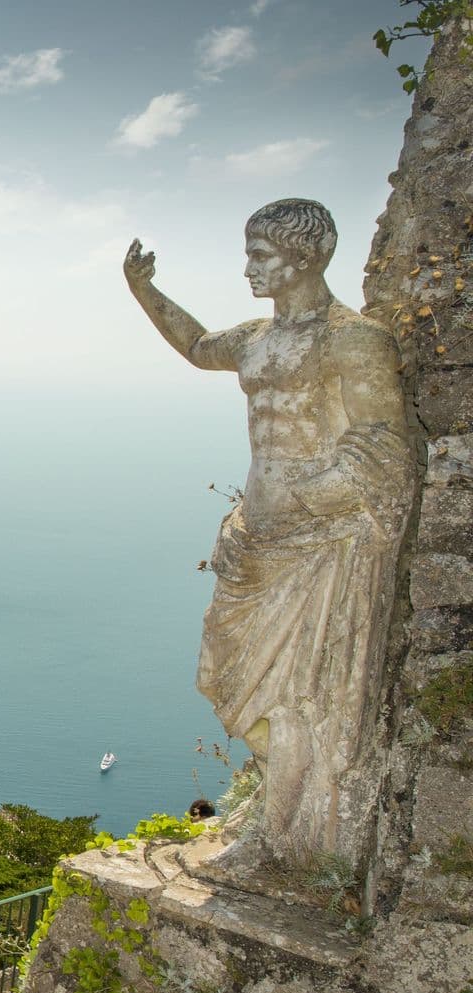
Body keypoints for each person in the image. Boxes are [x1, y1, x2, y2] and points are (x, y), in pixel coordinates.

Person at [124, 199, 416, 865]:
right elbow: (198, 347)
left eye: (261, 255)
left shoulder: (354, 341)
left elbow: (385, 448)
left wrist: (316, 493)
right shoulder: (256, 338)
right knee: (221, 675)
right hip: (255, 538)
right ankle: (275, 816)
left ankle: (284, 835)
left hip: (317, 545)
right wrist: (144, 291)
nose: (248, 268)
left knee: (296, 696)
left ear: (306, 256)